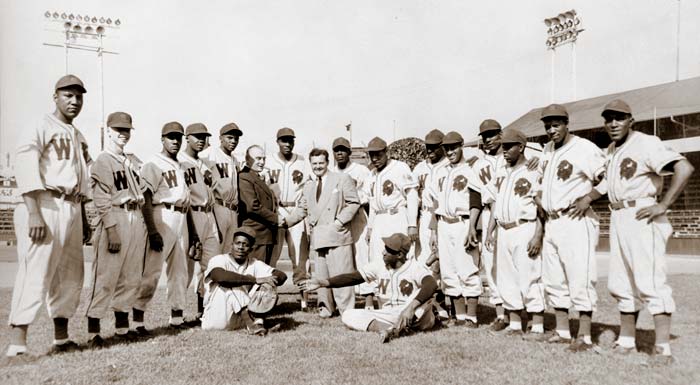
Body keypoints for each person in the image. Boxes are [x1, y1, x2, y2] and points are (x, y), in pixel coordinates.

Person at [600, 99, 694, 365]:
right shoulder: (610, 150)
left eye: (619, 118)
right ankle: (627, 341)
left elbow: (684, 168)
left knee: (650, 281)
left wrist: (662, 205)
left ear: (632, 120)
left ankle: (663, 349)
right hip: (619, 215)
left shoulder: (646, 142)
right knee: (621, 282)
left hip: (642, 213)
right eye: (608, 119)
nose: (613, 123)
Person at [6, 75, 92, 357]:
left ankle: (61, 339)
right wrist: (33, 213)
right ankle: (17, 345)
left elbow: (84, 178)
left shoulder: (78, 135)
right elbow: (25, 165)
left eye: (79, 96)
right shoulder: (40, 124)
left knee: (70, 275)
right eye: (68, 95)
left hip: (71, 206)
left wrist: (84, 217)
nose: (74, 101)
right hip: (44, 202)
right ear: (55, 96)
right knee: (35, 272)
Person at [535, 104, 606, 351]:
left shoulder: (584, 148)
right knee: (554, 279)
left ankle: (585, 337)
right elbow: (541, 184)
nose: (551, 130)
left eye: (556, 125)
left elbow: (608, 176)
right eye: (547, 125)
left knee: (580, 276)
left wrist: (589, 198)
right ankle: (563, 331)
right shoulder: (547, 150)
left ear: (567, 124)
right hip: (553, 221)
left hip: (576, 220)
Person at [301, 233, 438, 343]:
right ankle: (391, 330)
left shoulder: (414, 267)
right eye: (385, 247)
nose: (384, 252)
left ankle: (403, 328)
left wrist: (411, 308)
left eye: (389, 250)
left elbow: (431, 284)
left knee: (424, 301)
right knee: (348, 315)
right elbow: (353, 277)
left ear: (400, 255)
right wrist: (323, 282)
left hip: (413, 315)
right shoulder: (379, 265)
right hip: (389, 314)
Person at [84, 112, 147, 348]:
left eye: (127, 129)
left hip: (135, 215)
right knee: (106, 276)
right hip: (115, 215)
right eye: (118, 129)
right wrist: (111, 228)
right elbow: (101, 198)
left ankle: (122, 328)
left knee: (131, 276)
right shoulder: (103, 160)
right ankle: (93, 331)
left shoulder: (130, 160)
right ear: (108, 131)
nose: (123, 133)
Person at [477, 119, 541, 331]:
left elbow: (541, 206)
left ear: (521, 147)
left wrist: (538, 234)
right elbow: (495, 202)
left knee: (529, 275)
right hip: (503, 228)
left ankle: (537, 325)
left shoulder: (534, 168)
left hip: (524, 226)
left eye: (508, 146)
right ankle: (514, 324)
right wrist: (489, 231)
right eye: (503, 146)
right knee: (507, 278)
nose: (504, 150)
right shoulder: (502, 171)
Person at [133, 121, 194, 332]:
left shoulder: (181, 164)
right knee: (152, 271)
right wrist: (152, 230)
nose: (175, 141)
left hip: (181, 217)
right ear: (162, 139)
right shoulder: (153, 163)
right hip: (162, 215)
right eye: (171, 137)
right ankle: (137, 321)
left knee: (180, 272)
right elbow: (146, 197)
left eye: (178, 137)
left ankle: (177, 318)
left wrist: (193, 234)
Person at [286, 148, 360, 317]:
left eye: (321, 163)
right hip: (318, 237)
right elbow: (302, 209)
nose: (318, 166)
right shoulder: (310, 185)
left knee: (342, 275)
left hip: (337, 235)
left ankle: (347, 311)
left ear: (328, 163)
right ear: (310, 164)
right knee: (322, 276)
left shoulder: (342, 179)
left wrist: (339, 222)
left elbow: (354, 203)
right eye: (314, 163)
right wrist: (284, 222)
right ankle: (325, 308)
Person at [429, 131, 485, 328]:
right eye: (447, 148)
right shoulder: (441, 171)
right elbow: (436, 204)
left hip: (463, 222)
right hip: (444, 222)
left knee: (467, 267)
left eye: (454, 147)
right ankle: (459, 316)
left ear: (462, 145)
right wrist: (434, 231)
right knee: (449, 271)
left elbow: (476, 201)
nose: (450, 151)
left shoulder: (470, 169)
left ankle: (472, 317)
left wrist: (472, 228)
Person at [364, 136, 419, 309]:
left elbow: (411, 195)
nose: (375, 159)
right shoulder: (372, 174)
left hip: (396, 216)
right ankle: (384, 302)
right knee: (378, 260)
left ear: (386, 152)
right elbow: (372, 203)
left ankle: (407, 302)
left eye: (378, 155)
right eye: (372, 155)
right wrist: (370, 227)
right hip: (379, 218)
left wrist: (412, 224)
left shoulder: (399, 168)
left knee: (401, 258)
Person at [201, 227, 287, 334]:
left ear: (251, 249)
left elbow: (281, 276)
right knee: (231, 283)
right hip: (216, 316)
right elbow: (221, 277)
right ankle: (252, 325)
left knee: (266, 285)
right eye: (238, 243)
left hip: (238, 319)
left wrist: (269, 283)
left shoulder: (254, 263)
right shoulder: (219, 259)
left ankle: (257, 324)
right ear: (231, 245)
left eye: (245, 244)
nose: (241, 247)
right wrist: (255, 280)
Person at [266, 128, 312, 310]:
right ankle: (268, 295)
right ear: (277, 141)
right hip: (276, 210)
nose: (287, 144)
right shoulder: (269, 161)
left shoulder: (302, 161)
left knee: (300, 257)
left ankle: (304, 298)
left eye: (290, 140)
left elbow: (310, 185)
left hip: (296, 209)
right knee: (272, 255)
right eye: (283, 140)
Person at [179, 123, 220, 323]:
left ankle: (204, 311)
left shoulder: (205, 163)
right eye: (196, 136)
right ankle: (176, 315)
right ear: (187, 138)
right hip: (191, 213)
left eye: (204, 136)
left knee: (211, 265)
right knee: (185, 268)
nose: (201, 140)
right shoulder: (179, 161)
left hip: (209, 215)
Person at [331, 137, 373, 307]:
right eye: (336, 150)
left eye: (343, 149)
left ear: (349, 152)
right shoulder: (330, 171)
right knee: (341, 260)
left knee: (363, 257)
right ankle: (346, 301)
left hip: (357, 217)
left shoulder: (361, 170)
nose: (340, 153)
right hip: (338, 219)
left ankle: (369, 300)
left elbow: (369, 195)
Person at [200, 122, 242, 253]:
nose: (233, 141)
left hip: (233, 210)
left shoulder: (234, 160)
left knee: (228, 252)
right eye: (230, 137)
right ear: (220, 138)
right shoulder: (210, 154)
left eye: (236, 138)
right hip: (218, 206)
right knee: (214, 250)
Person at [238, 145, 284, 264]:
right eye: (258, 158)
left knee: (264, 272)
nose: (262, 162)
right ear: (248, 159)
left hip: (265, 234)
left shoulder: (257, 177)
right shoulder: (244, 177)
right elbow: (253, 206)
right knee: (255, 273)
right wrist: (276, 218)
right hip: (256, 234)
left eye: (264, 159)